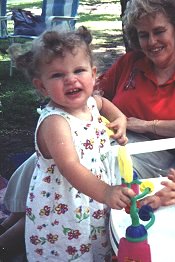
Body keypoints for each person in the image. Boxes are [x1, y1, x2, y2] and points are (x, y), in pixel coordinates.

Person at [4, 26, 136, 261]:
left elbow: (104, 103)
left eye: (78, 70)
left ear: (93, 74)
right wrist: (106, 192)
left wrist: (120, 119)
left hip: (90, 199)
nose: (70, 79)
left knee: (93, 246)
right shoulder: (55, 121)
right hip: (63, 209)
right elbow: (70, 167)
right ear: (41, 86)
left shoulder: (91, 103)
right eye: (57, 75)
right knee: (67, 253)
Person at [95, 0, 175, 178]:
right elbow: (95, 95)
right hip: (112, 141)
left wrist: (150, 126)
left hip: (156, 158)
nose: (152, 42)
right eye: (143, 35)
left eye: (159, 31)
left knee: (97, 163)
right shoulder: (130, 63)